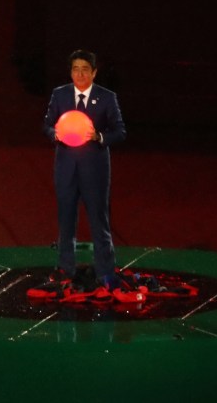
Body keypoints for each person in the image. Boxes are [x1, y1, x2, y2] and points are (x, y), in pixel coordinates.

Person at [43, 49, 126, 290]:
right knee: (66, 219)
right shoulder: (60, 95)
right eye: (75, 69)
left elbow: (120, 132)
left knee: (99, 220)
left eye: (85, 69)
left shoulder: (107, 98)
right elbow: (47, 124)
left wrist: (99, 136)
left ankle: (105, 271)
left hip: (95, 170)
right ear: (71, 72)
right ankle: (65, 269)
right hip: (65, 168)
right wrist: (53, 133)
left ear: (94, 72)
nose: (80, 74)